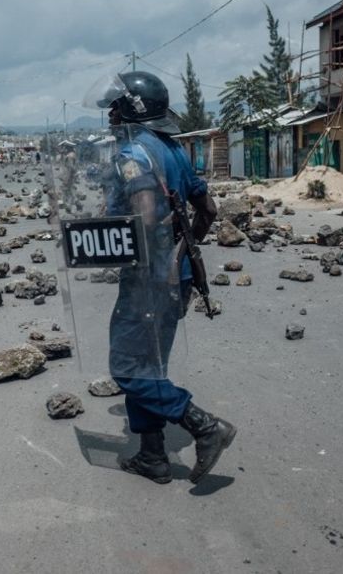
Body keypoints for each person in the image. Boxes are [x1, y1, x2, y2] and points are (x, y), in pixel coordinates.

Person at [84, 71, 235, 485]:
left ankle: (204, 426)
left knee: (127, 369)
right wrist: (184, 251)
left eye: (115, 108)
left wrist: (103, 237)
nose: (110, 115)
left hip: (148, 280)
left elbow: (145, 214)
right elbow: (208, 209)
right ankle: (152, 457)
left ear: (130, 110)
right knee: (148, 365)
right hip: (174, 277)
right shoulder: (174, 150)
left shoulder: (133, 154)